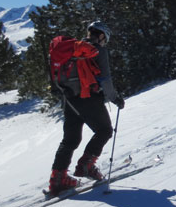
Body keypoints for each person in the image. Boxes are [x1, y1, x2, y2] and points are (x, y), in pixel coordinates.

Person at [48, 21, 125, 196]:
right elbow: (105, 79)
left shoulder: (71, 49)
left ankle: (57, 179)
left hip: (70, 99)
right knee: (104, 130)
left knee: (70, 140)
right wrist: (115, 98)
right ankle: (86, 166)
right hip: (89, 98)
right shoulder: (98, 50)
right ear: (102, 36)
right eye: (105, 38)